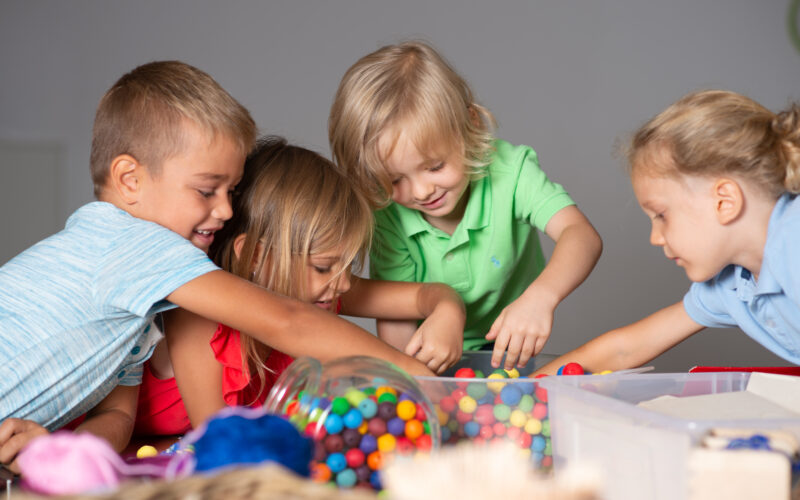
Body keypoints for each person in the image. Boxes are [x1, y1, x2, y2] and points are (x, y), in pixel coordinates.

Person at [0, 61, 433, 473]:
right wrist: (418, 377)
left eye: (232, 191)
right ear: (130, 180)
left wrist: (55, 452)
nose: (226, 210)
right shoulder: (137, 245)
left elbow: (116, 417)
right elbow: (288, 320)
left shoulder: (133, 305)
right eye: (207, 191)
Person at [134, 137, 465, 435]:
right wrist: (411, 373)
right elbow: (220, 442)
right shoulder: (197, 316)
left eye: (347, 265)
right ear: (255, 257)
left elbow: (424, 296)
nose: (343, 284)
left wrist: (448, 310)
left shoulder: (318, 288)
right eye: (323, 266)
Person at [329, 40, 603, 371]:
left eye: (434, 166)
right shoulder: (387, 214)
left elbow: (581, 235)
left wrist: (540, 298)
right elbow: (396, 310)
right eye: (394, 180)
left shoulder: (510, 172)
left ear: (470, 125)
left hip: (506, 342)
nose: (421, 191)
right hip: (432, 348)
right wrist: (409, 378)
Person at [535, 90, 800, 375]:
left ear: (724, 202)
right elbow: (625, 349)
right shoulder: (733, 285)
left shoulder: (792, 239)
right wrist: (518, 389)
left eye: (661, 215)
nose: (655, 238)